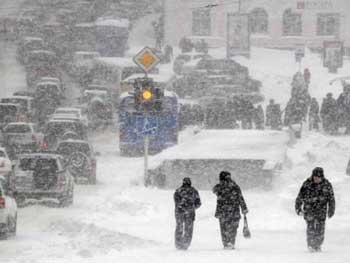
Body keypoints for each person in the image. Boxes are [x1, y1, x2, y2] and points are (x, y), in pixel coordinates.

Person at [295, 167, 335, 252]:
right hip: (309, 210)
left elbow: (331, 199)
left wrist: (331, 210)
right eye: (315, 177)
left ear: (322, 177)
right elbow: (299, 197)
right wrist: (298, 208)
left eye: (318, 177)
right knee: (311, 228)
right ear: (312, 176)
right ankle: (311, 245)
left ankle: (318, 245)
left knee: (320, 229)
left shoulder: (327, 185)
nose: (316, 179)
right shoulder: (307, 184)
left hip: (321, 210)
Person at [213, 171, 248, 249]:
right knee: (233, 228)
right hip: (234, 211)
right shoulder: (235, 186)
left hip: (223, 211)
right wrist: (244, 208)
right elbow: (240, 198)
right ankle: (231, 242)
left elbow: (214, 191)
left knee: (223, 228)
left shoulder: (220, 186)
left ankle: (226, 243)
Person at [174, 177, 201, 250]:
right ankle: (186, 244)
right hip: (190, 213)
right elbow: (198, 203)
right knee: (188, 229)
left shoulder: (178, 191)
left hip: (179, 212)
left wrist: (180, 207)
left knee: (179, 227)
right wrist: (192, 207)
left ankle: (178, 244)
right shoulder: (194, 191)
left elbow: (176, 202)